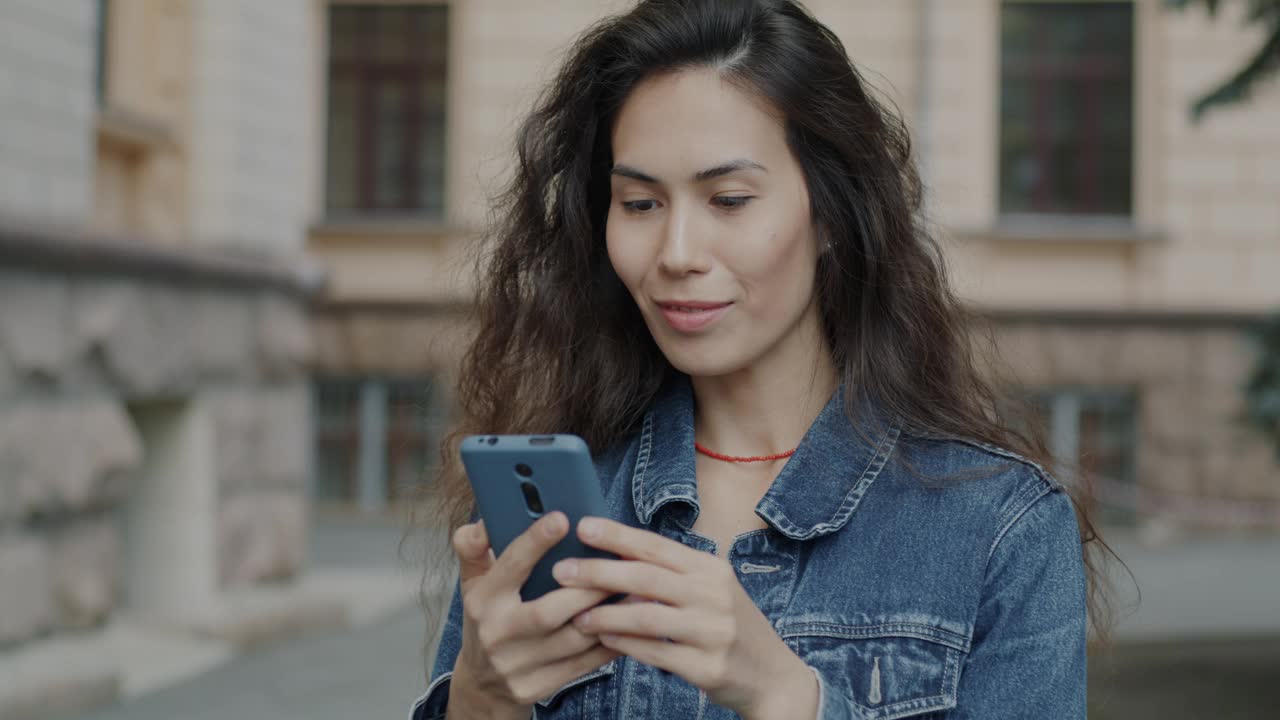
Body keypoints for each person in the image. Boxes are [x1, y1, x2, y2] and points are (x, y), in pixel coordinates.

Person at [408, 1, 1110, 718]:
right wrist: (481, 701)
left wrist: (787, 695)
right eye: (640, 203)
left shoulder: (999, 530)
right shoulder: (545, 515)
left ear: (831, 215)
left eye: (730, 199)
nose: (676, 254)